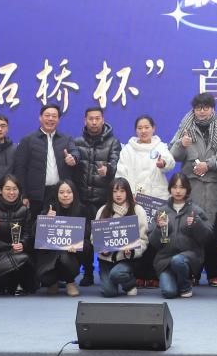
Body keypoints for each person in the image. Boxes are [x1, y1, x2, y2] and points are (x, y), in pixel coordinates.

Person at [169, 93, 217, 287]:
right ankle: (193, 272)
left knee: (213, 230)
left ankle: (214, 273)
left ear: (212, 109)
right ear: (194, 110)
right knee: (193, 228)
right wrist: (182, 144)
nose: (202, 111)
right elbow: (173, 155)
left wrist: (209, 164)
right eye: (198, 108)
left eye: (206, 107)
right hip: (193, 185)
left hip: (216, 185)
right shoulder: (185, 126)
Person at [73, 106, 121, 285]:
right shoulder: (76, 142)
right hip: (82, 199)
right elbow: (73, 168)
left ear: (103, 120)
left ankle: (104, 270)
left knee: (104, 238)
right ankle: (87, 272)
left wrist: (108, 170)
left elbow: (117, 165)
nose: (94, 122)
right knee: (84, 240)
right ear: (85, 120)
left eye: (97, 118)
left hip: (103, 200)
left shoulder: (113, 142)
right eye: (90, 119)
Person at [146, 173, 213, 299]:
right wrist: (159, 228)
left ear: (187, 189)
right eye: (174, 187)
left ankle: (185, 285)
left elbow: (207, 237)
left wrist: (196, 224)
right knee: (169, 293)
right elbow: (153, 242)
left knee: (178, 261)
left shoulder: (196, 210)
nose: (178, 191)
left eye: (182, 187)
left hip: (188, 258)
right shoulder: (161, 211)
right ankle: (177, 279)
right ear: (170, 189)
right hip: (165, 261)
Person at [11, 104, 79, 212]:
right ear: (40, 117)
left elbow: (75, 152)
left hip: (60, 194)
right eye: (47, 115)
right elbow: (20, 169)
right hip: (36, 196)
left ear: (58, 119)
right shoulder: (28, 140)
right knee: (35, 221)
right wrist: (23, 195)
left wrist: (73, 158)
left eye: (54, 116)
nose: (50, 119)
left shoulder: (66, 139)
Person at [0, 174, 34, 296]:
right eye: (8, 189)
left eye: (15, 189)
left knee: (24, 260)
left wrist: (23, 244)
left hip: (18, 253)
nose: (11, 192)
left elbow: (28, 234)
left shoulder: (24, 210)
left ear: (19, 191)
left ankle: (17, 283)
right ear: (0, 190)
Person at [95, 179, 147, 298]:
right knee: (109, 293)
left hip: (126, 260)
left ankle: (130, 284)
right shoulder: (103, 210)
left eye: (122, 191)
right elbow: (94, 237)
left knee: (117, 274)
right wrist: (101, 248)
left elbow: (144, 240)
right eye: (114, 191)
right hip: (106, 260)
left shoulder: (138, 210)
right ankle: (108, 279)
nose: (118, 194)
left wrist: (132, 250)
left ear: (128, 192)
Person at [33, 180, 85, 297]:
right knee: (44, 275)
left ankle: (70, 282)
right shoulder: (49, 209)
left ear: (74, 193)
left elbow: (87, 238)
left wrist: (78, 245)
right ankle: (52, 282)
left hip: (71, 255)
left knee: (65, 257)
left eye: (68, 192)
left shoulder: (81, 210)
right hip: (50, 256)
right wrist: (46, 219)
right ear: (56, 194)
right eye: (61, 192)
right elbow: (34, 233)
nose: (65, 195)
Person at [115, 114, 176, 199]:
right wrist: (129, 193)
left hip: (157, 197)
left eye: (147, 127)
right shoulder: (128, 149)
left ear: (153, 128)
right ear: (136, 130)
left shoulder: (160, 146)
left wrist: (163, 163)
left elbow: (171, 162)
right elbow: (121, 173)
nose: (143, 131)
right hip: (134, 197)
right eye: (140, 128)